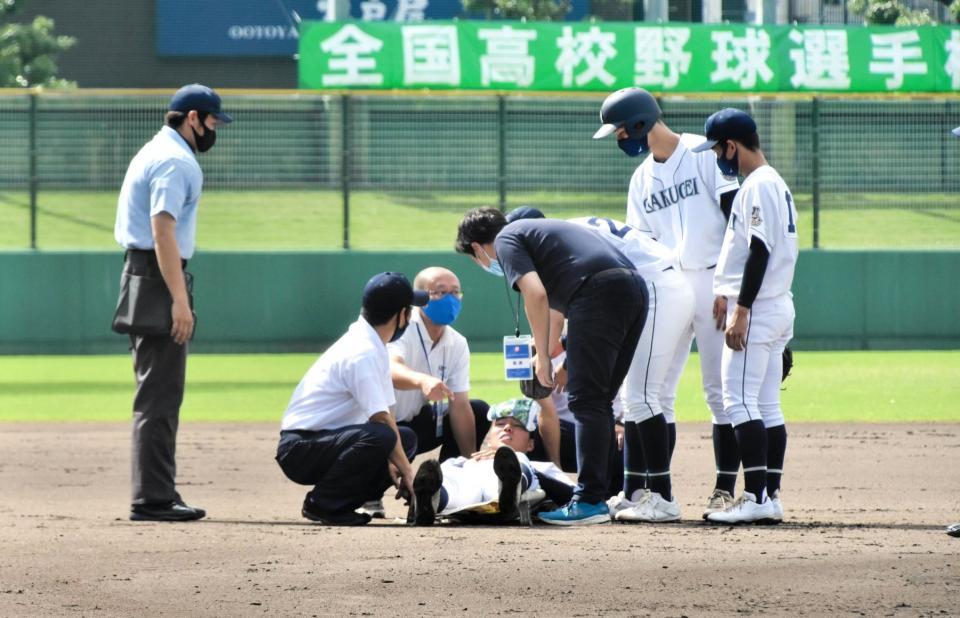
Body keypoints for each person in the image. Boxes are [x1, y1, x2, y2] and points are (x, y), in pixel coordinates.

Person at [593, 87, 742, 519]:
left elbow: (736, 218)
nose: (619, 138)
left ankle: (723, 489)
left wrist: (730, 286)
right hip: (670, 286)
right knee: (653, 390)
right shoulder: (641, 178)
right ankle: (650, 491)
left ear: (640, 122)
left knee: (721, 392)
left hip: (716, 280)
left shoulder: (702, 152)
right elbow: (642, 245)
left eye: (620, 130)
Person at [455, 207, 647, 526]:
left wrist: (543, 355)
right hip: (633, 289)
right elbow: (557, 302)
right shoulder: (544, 237)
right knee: (598, 401)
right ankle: (602, 496)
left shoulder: (505, 239)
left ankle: (587, 501)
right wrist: (563, 358)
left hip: (596, 293)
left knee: (586, 402)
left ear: (476, 248)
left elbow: (537, 295)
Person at [505, 205, 693, 522]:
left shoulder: (553, 244)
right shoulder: (568, 233)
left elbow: (560, 315)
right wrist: (562, 356)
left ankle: (662, 497)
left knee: (642, 397)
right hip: (665, 286)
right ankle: (636, 494)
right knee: (649, 399)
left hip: (654, 288)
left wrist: (545, 358)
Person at [113, 84, 232, 522]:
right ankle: (153, 498)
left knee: (157, 390)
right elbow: (162, 230)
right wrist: (180, 300)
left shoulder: (156, 150)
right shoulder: (175, 160)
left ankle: (155, 492)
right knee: (160, 393)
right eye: (213, 121)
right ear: (193, 117)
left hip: (148, 271)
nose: (215, 129)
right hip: (159, 274)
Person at [689, 108, 798, 524]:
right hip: (777, 304)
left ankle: (754, 498)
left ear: (732, 145)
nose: (719, 157)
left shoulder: (756, 186)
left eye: (718, 149)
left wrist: (743, 309)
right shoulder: (775, 184)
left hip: (760, 305)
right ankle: (768, 495)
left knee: (738, 401)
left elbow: (759, 250)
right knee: (767, 405)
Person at [274, 272, 426, 526]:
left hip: (323, 441)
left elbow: (386, 412)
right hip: (299, 448)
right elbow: (380, 419)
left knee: (404, 438)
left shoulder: (373, 344)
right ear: (401, 315)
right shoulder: (362, 351)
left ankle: (342, 503)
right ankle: (323, 504)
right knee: (384, 436)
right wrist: (408, 472)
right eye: (409, 310)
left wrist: (393, 461)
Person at [357, 266, 490, 519]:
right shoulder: (401, 329)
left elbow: (459, 405)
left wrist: (471, 467)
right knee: (399, 436)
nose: (450, 299)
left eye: (455, 292)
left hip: (415, 421)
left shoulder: (457, 342)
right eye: (440, 292)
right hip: (379, 422)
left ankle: (446, 490)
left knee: (478, 409)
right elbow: (391, 370)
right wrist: (422, 381)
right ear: (420, 298)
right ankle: (368, 494)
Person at [410, 398, 575, 526]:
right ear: (489, 439)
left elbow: (573, 496)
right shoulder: (464, 462)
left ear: (531, 444)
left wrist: (537, 476)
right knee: (450, 475)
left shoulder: (539, 466)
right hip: (469, 485)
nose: (507, 428)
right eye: (501, 424)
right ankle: (431, 503)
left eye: (518, 425)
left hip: (511, 483)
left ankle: (510, 489)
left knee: (517, 458)